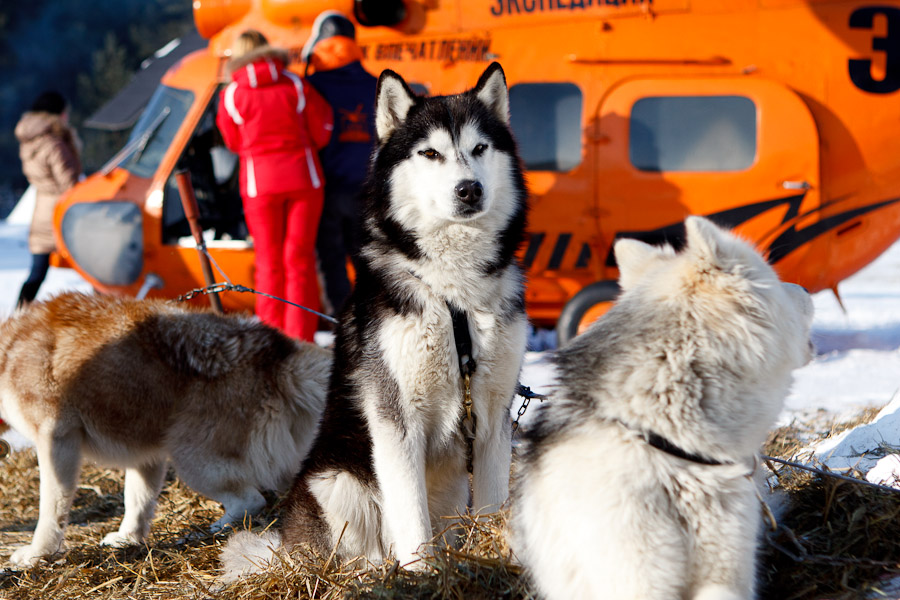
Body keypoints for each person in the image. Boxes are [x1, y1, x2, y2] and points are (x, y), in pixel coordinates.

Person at [216, 30, 333, 341]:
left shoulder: (231, 95)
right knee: (300, 259)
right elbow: (321, 127)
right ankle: (300, 338)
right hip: (303, 178)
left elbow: (232, 141)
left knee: (268, 262)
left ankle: (270, 336)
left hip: (259, 183)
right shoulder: (294, 83)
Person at [303, 11, 378, 315]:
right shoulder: (374, 85)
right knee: (369, 263)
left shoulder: (310, 86)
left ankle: (340, 322)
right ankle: (373, 322)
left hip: (326, 191)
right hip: (366, 190)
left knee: (332, 261)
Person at [14, 90, 82, 308]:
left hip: (41, 211)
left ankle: (19, 313)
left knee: (36, 273)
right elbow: (69, 183)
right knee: (94, 267)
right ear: (57, 114)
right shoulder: (54, 143)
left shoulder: (29, 141)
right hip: (62, 214)